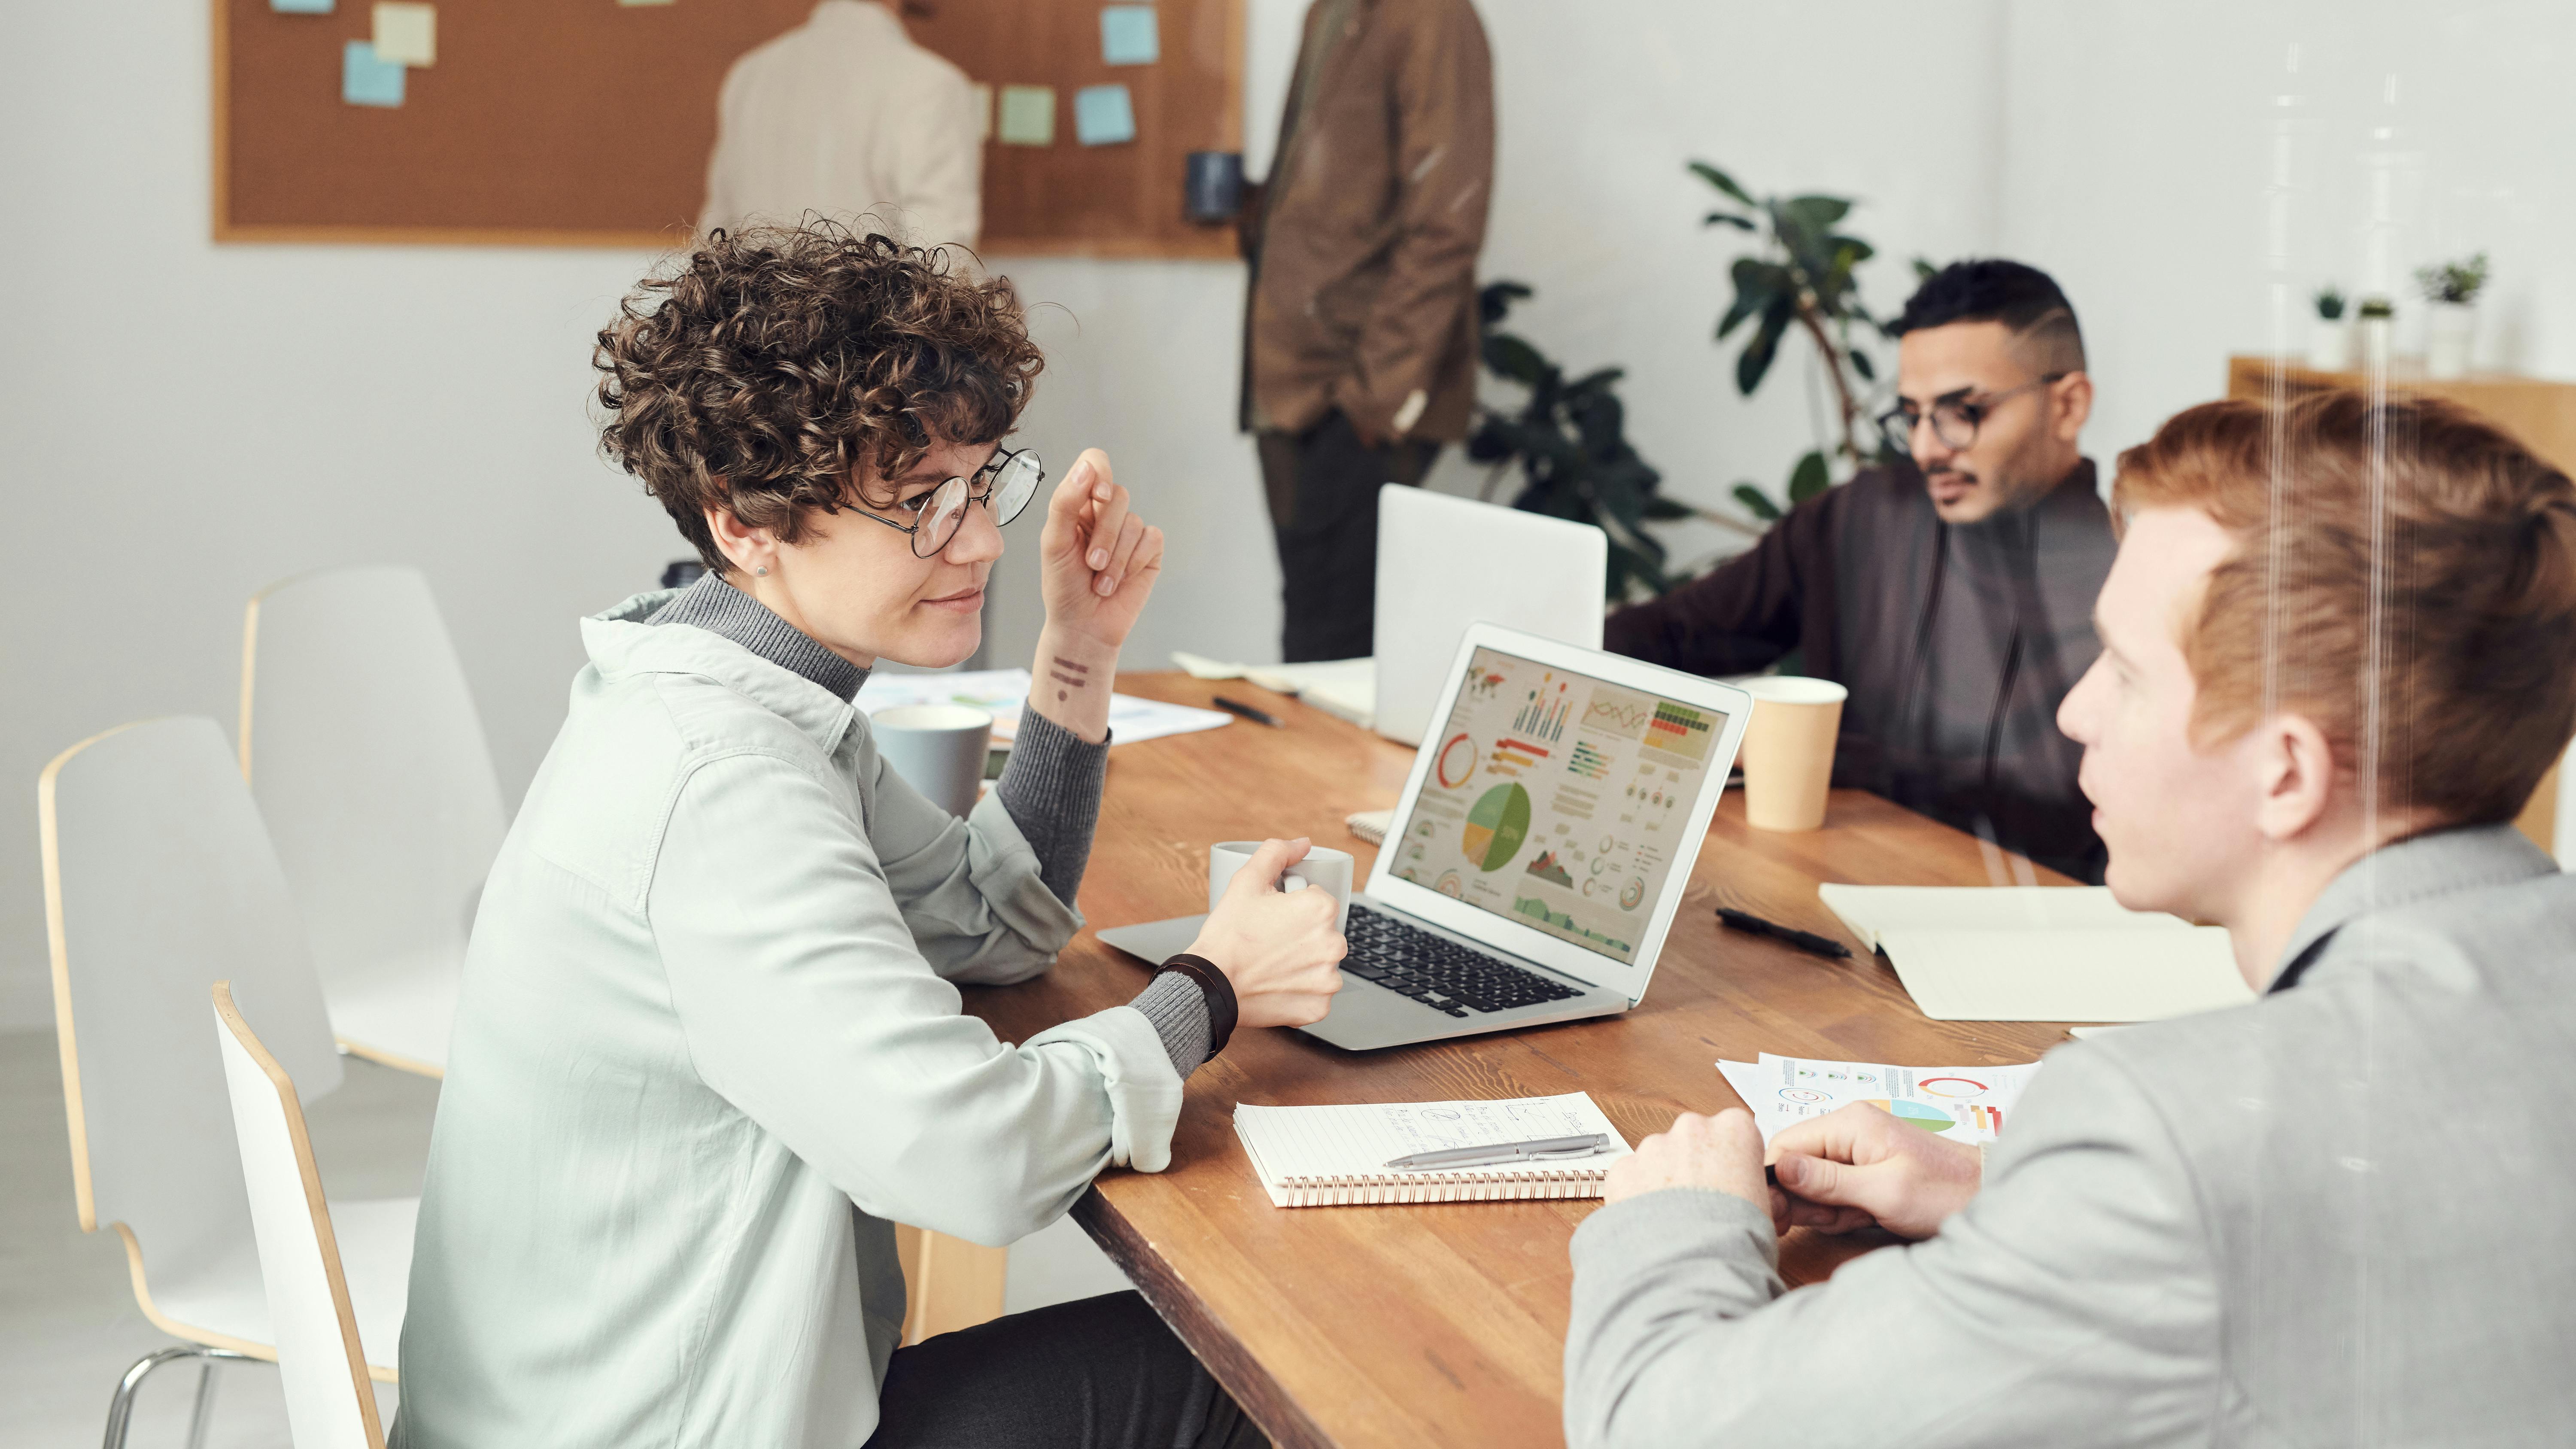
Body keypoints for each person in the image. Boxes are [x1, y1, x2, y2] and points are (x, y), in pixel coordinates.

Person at [393, 223, 1344, 1448]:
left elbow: (989, 920)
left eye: (984, 483)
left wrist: (1080, 651)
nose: (987, 539)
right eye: (920, 503)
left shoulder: (738, 690)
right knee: (1269, 1363)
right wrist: (1210, 989)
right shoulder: (726, 784)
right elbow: (971, 1157)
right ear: (745, 518)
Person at [1562, 390, 2576, 1445]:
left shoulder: (2164, 1133)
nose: (2075, 710)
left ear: (2286, 773)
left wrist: (1676, 1221)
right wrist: (2014, 1196)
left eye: (2127, 674)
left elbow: (1658, 1426)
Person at [1606, 260, 2112, 880]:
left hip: (2026, 932)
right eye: (1913, 416)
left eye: (1963, 412)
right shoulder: (1863, 516)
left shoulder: (2129, 579)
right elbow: (1675, 633)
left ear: (2067, 405)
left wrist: (1825, 758)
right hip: (1814, 892)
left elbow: (2061, 805)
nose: (1928, 448)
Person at [1240, 0, 1493, 663]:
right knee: (1312, 636)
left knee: (1333, 648)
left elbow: (1448, 221)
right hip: (1294, 382)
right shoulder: (1334, 10)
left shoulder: (1431, 16)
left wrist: (1376, 400)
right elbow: (1342, 194)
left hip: (1354, 391)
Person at [699, 1, 982, 249]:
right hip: (873, 310)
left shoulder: (750, 75)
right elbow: (943, 255)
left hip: (752, 309)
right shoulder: (933, 84)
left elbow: (716, 234)